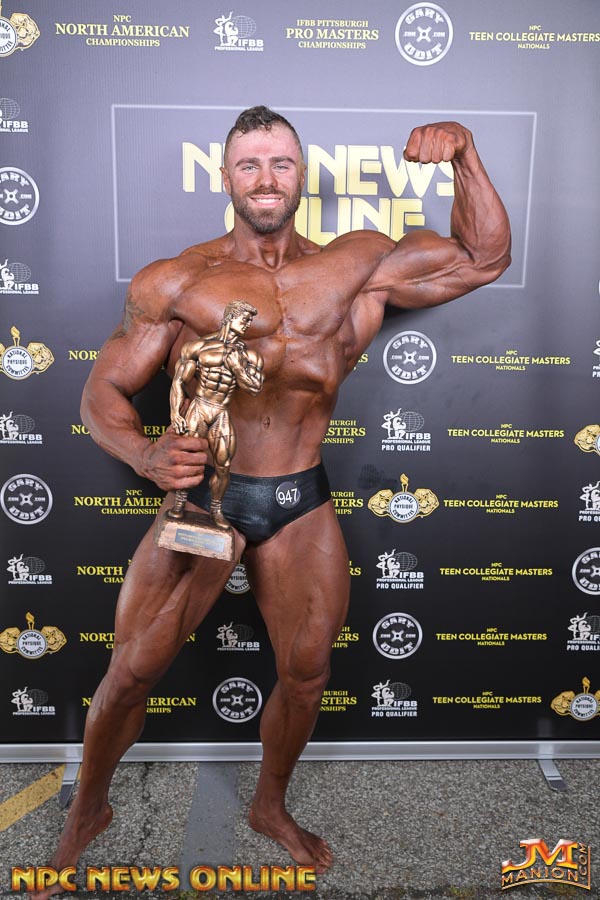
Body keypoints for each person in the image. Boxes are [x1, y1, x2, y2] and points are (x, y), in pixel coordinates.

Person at [33, 105, 510, 894]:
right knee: (134, 668)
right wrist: (145, 454)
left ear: (301, 175)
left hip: (300, 499)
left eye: (280, 163)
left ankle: (268, 806)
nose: (266, 178)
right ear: (225, 177)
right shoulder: (178, 281)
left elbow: (483, 257)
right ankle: (88, 810)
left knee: (307, 670)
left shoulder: (358, 265)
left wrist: (464, 153)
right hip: (207, 501)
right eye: (249, 164)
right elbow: (102, 393)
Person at [167, 299, 264, 527]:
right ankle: (179, 503)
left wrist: (237, 368)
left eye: (250, 321)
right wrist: (175, 414)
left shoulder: (250, 357)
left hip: (221, 412)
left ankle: (216, 509)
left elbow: (255, 388)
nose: (247, 325)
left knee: (223, 465)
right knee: (187, 459)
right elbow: (179, 382)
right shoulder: (198, 347)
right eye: (244, 319)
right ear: (230, 317)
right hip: (199, 407)